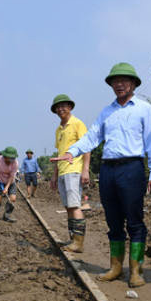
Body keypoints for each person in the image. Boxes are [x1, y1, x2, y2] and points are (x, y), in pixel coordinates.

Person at [52, 63, 151, 287]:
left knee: (135, 221)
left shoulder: (144, 109)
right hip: (108, 170)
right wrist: (72, 152)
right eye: (115, 81)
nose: (119, 84)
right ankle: (115, 268)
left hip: (132, 168)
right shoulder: (107, 112)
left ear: (133, 84)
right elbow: (92, 137)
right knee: (113, 221)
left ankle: (136, 270)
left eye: (124, 81)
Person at [49, 94, 91, 253]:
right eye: (58, 107)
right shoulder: (59, 129)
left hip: (74, 170)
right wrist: (54, 175)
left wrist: (85, 170)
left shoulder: (78, 124)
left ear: (70, 107)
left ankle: (78, 243)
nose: (61, 109)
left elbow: (86, 147)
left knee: (74, 206)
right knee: (68, 206)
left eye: (63, 106)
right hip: (62, 172)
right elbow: (60, 153)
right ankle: (73, 239)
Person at [0, 146, 19, 223]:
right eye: (9, 159)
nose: (11, 161)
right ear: (5, 156)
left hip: (10, 181)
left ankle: (6, 216)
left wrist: (6, 187)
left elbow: (12, 176)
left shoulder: (15, 162)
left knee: (13, 199)